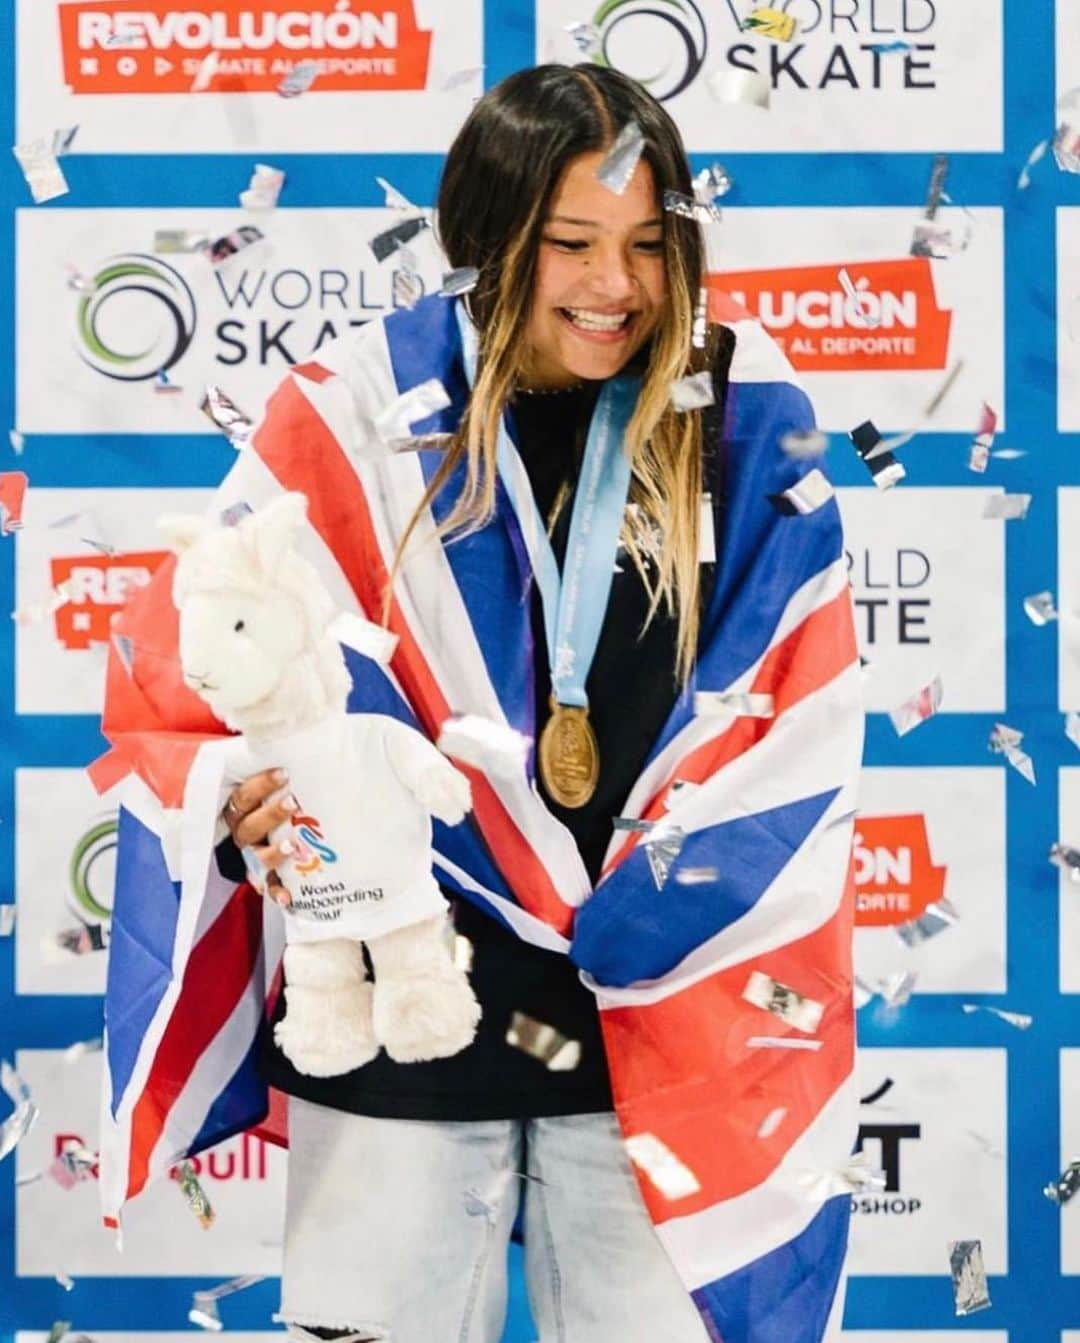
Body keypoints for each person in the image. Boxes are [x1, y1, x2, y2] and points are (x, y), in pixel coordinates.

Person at [101, 63, 862, 1343]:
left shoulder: (739, 424)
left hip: (659, 1012)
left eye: (646, 246)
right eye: (571, 244)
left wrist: (666, 906)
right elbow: (197, 660)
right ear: (487, 234)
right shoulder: (348, 417)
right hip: (408, 1000)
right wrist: (233, 792)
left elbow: (799, 701)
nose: (614, 286)